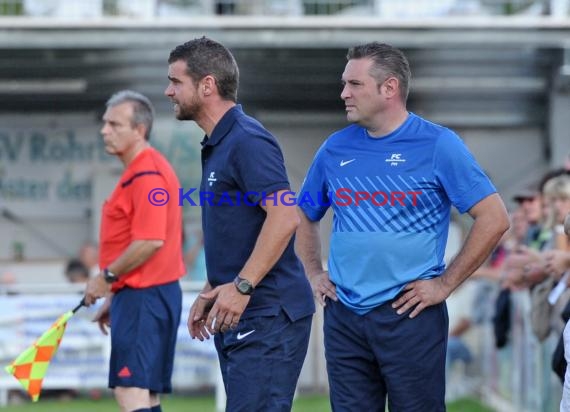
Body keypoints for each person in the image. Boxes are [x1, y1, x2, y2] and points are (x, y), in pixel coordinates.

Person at [295, 42, 510, 411]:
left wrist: (444, 284)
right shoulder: (335, 148)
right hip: (344, 314)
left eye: (354, 84)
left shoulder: (439, 144)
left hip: (409, 313)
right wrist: (314, 272)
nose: (343, 93)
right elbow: (302, 215)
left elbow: (494, 218)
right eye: (344, 83)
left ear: (389, 88)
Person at [165, 37, 315, 411]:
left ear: (207, 85)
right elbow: (241, 230)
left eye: (175, 81)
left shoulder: (247, 139)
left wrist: (243, 285)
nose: (168, 91)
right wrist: (213, 287)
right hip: (242, 308)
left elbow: (285, 216)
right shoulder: (220, 142)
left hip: (267, 312)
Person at [83, 90, 185, 412]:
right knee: (145, 394)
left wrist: (107, 278)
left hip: (146, 297)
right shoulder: (144, 170)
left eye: (114, 124)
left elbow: (150, 240)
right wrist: (116, 295)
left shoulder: (146, 174)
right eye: (105, 123)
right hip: (145, 296)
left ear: (139, 130)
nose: (105, 131)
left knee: (130, 391)